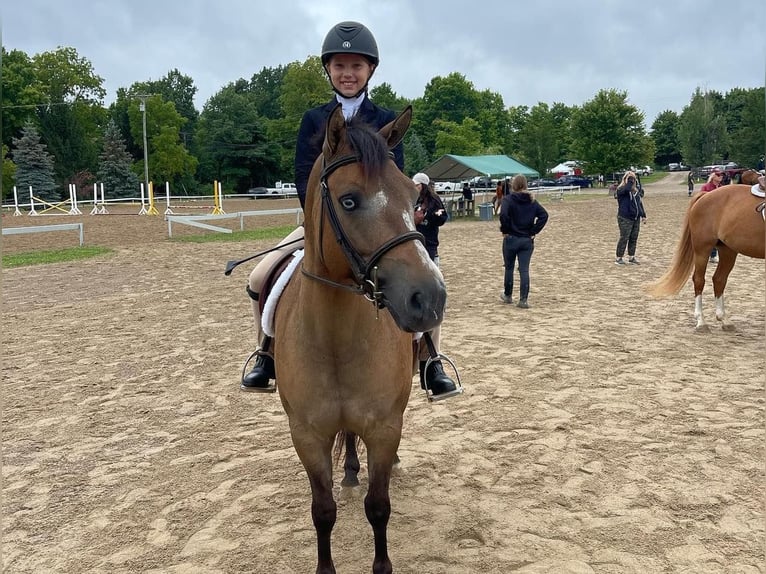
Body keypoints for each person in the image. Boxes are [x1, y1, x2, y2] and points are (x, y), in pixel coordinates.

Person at [241, 21, 456, 400]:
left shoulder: (383, 118)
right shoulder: (314, 120)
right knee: (260, 277)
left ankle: (429, 359)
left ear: (370, 70)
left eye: (356, 66)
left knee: (430, 278)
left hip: (377, 225)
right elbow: (302, 176)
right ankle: (266, 353)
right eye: (339, 66)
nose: (348, 74)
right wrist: (319, 221)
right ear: (329, 70)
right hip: (324, 224)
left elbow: (393, 179)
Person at [412, 173, 460, 397]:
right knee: (286, 249)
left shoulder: (432, 201)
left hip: (426, 250)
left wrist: (425, 219)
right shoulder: (409, 197)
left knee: (435, 297)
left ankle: (431, 364)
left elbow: (441, 217)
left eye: (417, 185)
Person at [498, 174, 549, 308]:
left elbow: (503, 215)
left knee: (509, 268)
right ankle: (523, 300)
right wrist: (533, 231)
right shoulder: (532, 200)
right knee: (524, 270)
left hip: (511, 238)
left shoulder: (508, 200)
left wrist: (505, 229)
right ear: (526, 185)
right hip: (526, 239)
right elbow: (544, 215)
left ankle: (508, 295)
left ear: (513, 185)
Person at [614, 170, 646, 265]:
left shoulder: (636, 192)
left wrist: (643, 215)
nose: (632, 181)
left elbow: (640, 204)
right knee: (624, 237)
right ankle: (619, 257)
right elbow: (627, 189)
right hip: (625, 217)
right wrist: (629, 181)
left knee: (633, 237)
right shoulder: (621, 190)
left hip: (635, 218)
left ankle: (631, 256)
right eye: (630, 179)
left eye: (633, 179)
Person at [699, 168, 724, 262]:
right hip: (709, 214)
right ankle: (711, 255)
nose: (721, 176)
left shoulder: (722, 188)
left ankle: (714, 255)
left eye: (721, 175)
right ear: (713, 176)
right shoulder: (706, 187)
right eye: (718, 175)